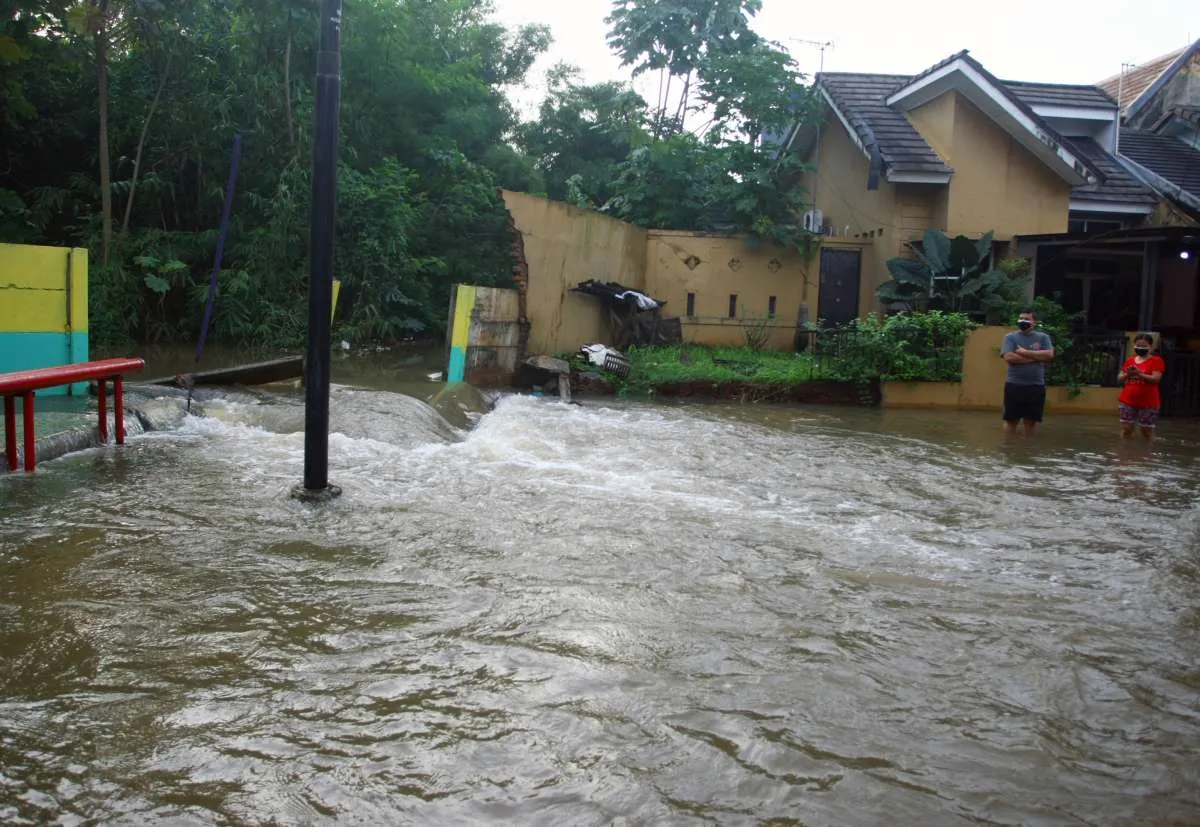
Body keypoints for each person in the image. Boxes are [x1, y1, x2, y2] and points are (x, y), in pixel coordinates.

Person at [1000, 309, 1054, 436]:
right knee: (1011, 420)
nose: (1023, 321)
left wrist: (1024, 352)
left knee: (1031, 422)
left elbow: (1050, 355)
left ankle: (1028, 452)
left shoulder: (1043, 337)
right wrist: (1037, 357)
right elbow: (1009, 357)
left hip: (1036, 386)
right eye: (1021, 318)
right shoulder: (1010, 337)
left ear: (1034, 322)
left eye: (1027, 319)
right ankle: (1008, 450)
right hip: (1014, 385)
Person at [1117, 332, 1165, 441]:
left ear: (1150, 346)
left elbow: (1156, 379)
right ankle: (1124, 453)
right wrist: (1128, 374)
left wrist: (1139, 374)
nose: (1140, 348)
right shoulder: (1130, 361)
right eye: (1138, 345)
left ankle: (1147, 454)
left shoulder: (1156, 361)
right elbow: (1120, 378)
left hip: (1149, 402)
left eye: (1144, 346)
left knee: (1146, 431)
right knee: (1126, 429)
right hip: (1128, 400)